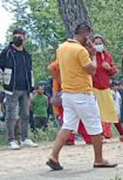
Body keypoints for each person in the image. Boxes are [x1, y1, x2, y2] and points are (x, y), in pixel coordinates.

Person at [47, 23, 116, 170]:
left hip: (67, 93)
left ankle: (54, 156)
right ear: (85, 34)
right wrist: (93, 55)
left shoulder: (62, 48)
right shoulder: (80, 50)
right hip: (82, 93)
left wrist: (60, 81)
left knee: (67, 125)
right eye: (89, 37)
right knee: (95, 126)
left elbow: (54, 67)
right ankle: (99, 159)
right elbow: (91, 70)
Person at [0, 28, 36, 150]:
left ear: (25, 39)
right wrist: (4, 82)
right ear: (12, 38)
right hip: (12, 88)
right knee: (11, 114)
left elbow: (30, 72)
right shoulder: (6, 52)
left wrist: (31, 88)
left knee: (25, 114)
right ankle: (11, 139)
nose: (18, 39)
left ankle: (25, 138)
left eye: (21, 37)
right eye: (16, 37)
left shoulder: (26, 54)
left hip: (25, 88)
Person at [90, 35, 123, 142]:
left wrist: (109, 68)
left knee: (112, 111)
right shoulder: (91, 56)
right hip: (94, 87)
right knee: (97, 113)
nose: (98, 45)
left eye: (100, 43)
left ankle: (122, 134)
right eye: (96, 43)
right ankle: (100, 135)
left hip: (105, 88)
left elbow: (113, 71)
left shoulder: (107, 56)